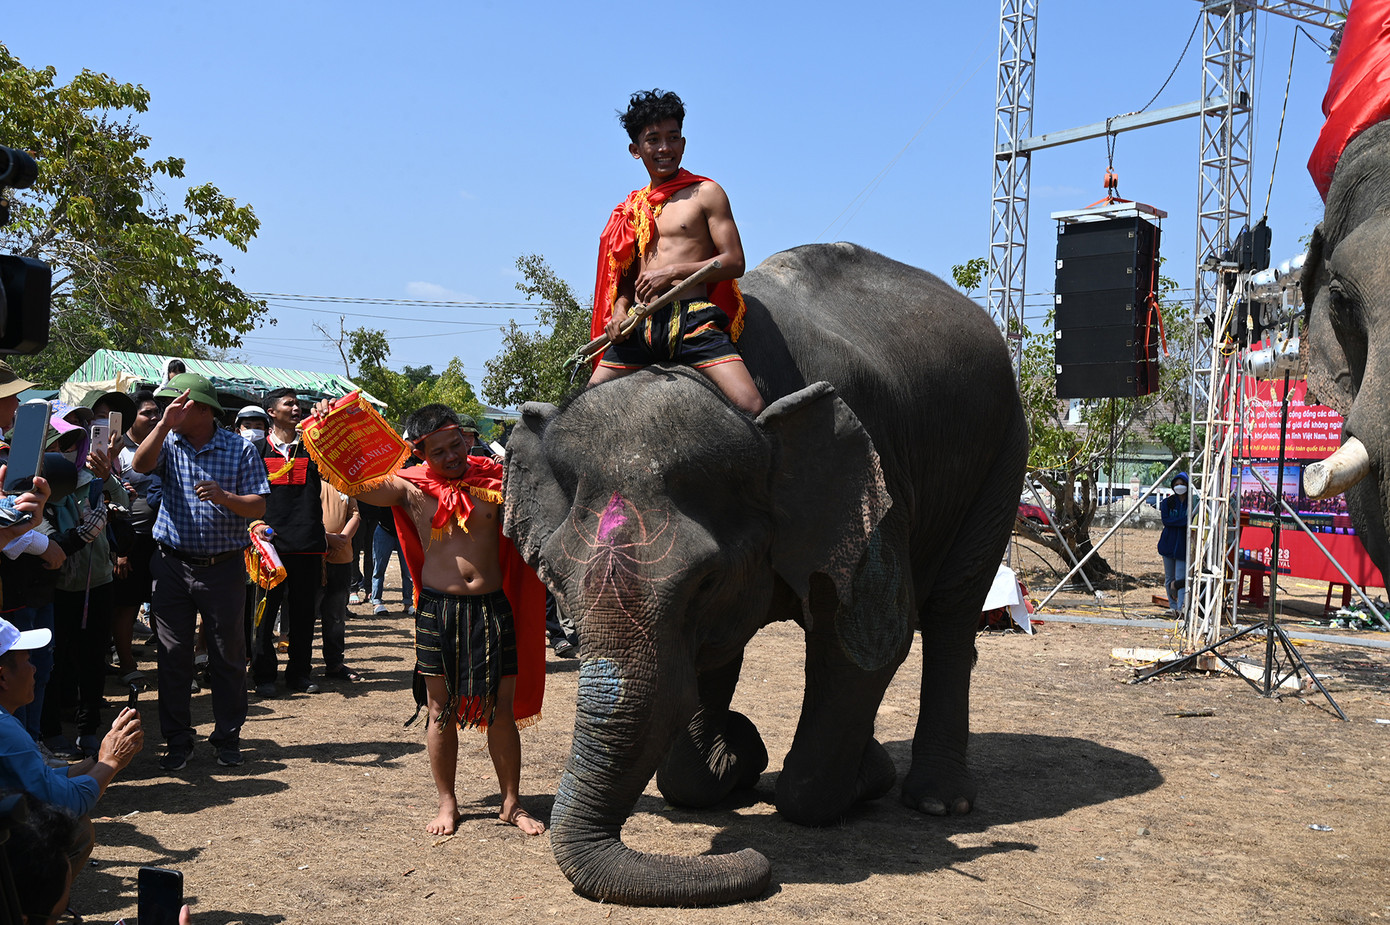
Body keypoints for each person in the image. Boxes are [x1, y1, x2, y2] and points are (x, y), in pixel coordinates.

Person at [305, 400, 546, 836]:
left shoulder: (497, 479)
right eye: (440, 452)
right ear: (420, 453)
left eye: (457, 444)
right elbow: (360, 485)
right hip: (438, 610)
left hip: (493, 608)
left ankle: (511, 803)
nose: (453, 456)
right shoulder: (408, 486)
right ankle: (447, 803)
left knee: (502, 713)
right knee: (440, 711)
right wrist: (332, 429)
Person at [588, 89, 763, 415]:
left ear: (683, 143)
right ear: (635, 150)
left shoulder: (706, 193)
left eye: (673, 138)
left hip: (693, 320)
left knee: (752, 405)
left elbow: (734, 261)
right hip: (640, 325)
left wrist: (673, 272)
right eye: (653, 139)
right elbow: (626, 279)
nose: (665, 148)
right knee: (587, 408)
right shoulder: (632, 208)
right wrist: (621, 309)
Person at [131, 373, 269, 771]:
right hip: (171, 564)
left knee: (227, 656)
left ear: (204, 409)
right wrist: (161, 425)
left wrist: (225, 497)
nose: (171, 409)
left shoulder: (239, 449)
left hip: (222, 568)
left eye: (179, 404)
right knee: (173, 655)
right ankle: (177, 739)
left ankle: (227, 736)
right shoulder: (168, 440)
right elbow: (139, 465)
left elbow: (259, 506)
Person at [0, 617, 144, 884]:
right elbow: (63, 804)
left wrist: (95, 760)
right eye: (26, 661)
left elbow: (35, 782)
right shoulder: (6, 731)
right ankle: (31, 910)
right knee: (77, 829)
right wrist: (111, 762)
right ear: (3, 676)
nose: (34, 669)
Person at [250, 389, 327, 697]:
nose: (297, 408)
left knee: (304, 616)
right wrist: (254, 525)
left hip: (307, 544)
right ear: (271, 412)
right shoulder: (255, 451)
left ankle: (299, 673)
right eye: (289, 404)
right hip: (270, 549)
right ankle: (263, 674)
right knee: (264, 616)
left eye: (298, 404)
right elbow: (246, 495)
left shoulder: (314, 450)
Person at [111, 391, 163, 686]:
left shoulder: (165, 445)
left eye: (157, 412)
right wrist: (121, 549)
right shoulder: (118, 450)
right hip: (131, 540)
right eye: (147, 413)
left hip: (164, 539)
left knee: (163, 602)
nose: (154, 417)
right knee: (127, 605)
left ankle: (171, 663)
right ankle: (127, 663)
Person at [318, 480, 360, 681]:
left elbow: (355, 515)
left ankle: (334, 664)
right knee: (305, 616)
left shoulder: (344, 484)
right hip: (312, 555)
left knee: (336, 616)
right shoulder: (309, 479)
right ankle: (299, 666)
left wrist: (341, 539)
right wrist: (327, 539)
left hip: (342, 557)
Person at [1159, 472, 1190, 616]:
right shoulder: (1168, 502)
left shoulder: (1193, 503)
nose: (1179, 487)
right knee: (1169, 578)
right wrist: (1183, 522)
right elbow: (1166, 521)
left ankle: (1181, 607)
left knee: (1181, 579)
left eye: (1182, 484)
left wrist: (1179, 522)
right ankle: (1173, 607)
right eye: (1177, 485)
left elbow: (1191, 521)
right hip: (1168, 544)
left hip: (1184, 546)